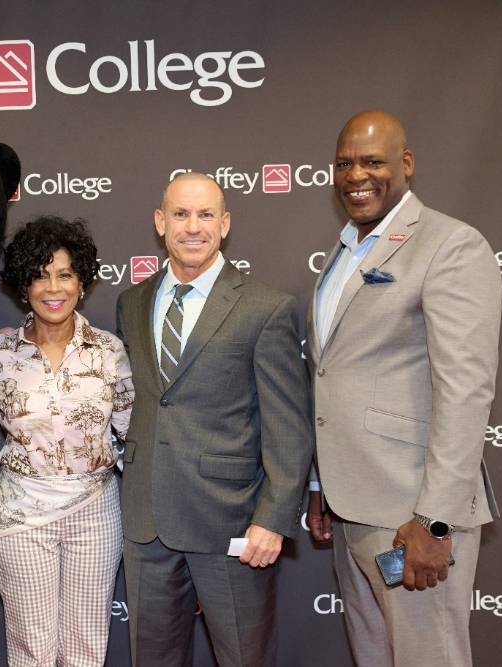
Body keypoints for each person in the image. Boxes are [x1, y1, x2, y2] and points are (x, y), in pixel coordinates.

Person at [306, 110, 502, 666]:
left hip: (411, 517)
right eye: (344, 164)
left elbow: (465, 391)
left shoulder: (449, 245)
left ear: (406, 164)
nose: (355, 175)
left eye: (372, 161)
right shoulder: (346, 251)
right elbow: (335, 376)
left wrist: (435, 520)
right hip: (354, 509)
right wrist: (321, 481)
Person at [116, 173, 313, 666]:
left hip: (232, 524)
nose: (193, 227)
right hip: (148, 523)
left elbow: (288, 425)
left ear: (225, 225)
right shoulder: (133, 301)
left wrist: (272, 519)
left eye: (206, 215)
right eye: (180, 214)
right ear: (160, 222)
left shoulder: (266, 308)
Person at [0, 215, 134, 667]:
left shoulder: (109, 351)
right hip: (22, 515)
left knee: (86, 643)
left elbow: (134, 432)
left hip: (94, 512)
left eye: (65, 274)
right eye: (40, 275)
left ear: (82, 282)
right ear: (24, 286)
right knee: (30, 645)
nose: (53, 287)